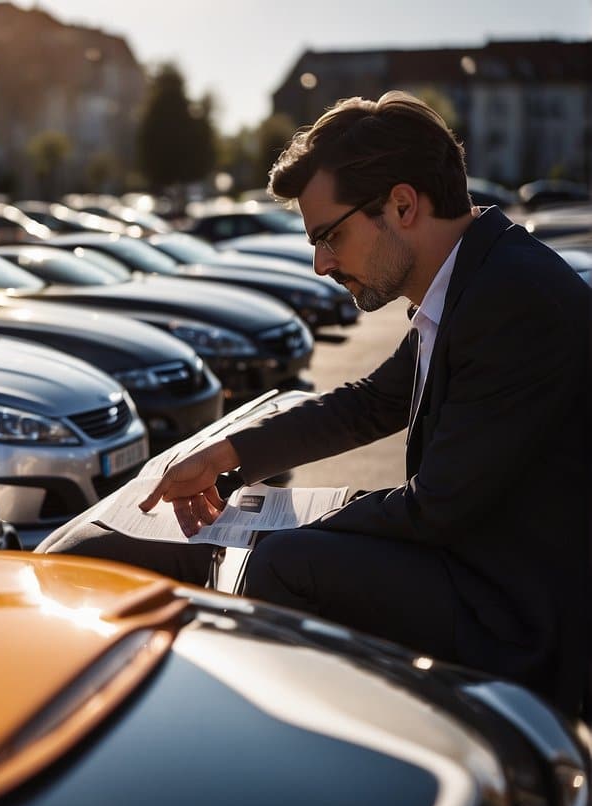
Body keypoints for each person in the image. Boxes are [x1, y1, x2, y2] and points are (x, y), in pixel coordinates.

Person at [42, 91, 590, 714]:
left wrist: (269, 527)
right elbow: (370, 403)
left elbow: (437, 507)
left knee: (287, 562)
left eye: (331, 236)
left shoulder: (510, 296)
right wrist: (225, 455)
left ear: (402, 205)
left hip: (521, 615)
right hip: (481, 561)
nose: (321, 263)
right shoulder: (477, 276)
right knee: (281, 541)